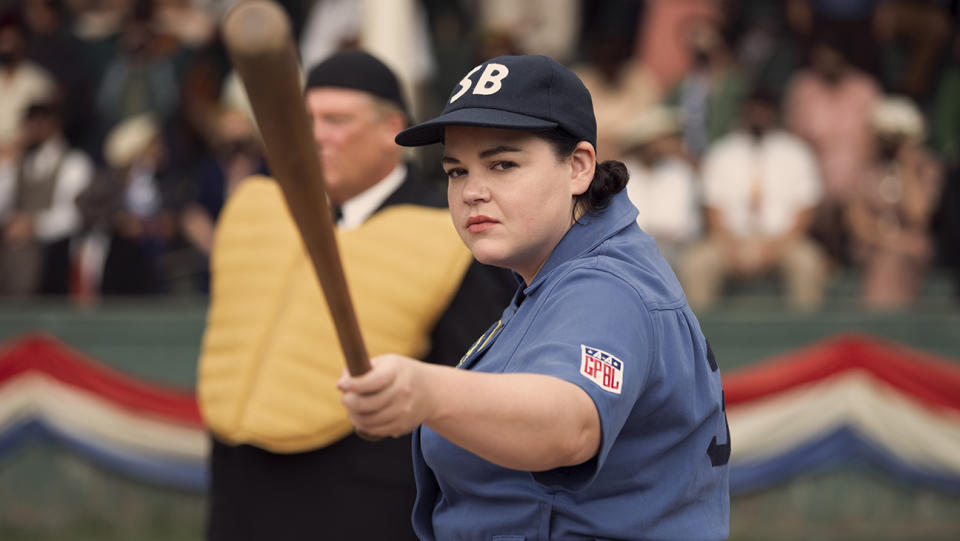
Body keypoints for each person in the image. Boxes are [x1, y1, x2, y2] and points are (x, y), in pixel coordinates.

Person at [339, 54, 730, 540]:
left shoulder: (605, 285)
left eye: (503, 164)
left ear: (579, 167)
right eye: (456, 171)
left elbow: (568, 426)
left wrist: (425, 392)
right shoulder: (554, 274)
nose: (472, 192)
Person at [197, 50, 514, 541]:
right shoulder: (259, 209)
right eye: (307, 120)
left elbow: (473, 391)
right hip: (240, 489)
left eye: (336, 120)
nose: (316, 134)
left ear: (393, 127)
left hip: (364, 505)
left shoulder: (454, 230)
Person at [681, 90, 827, 311]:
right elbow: (712, 208)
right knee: (695, 264)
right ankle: (700, 341)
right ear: (743, 113)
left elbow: (805, 210)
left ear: (774, 113)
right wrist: (730, 245)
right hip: (730, 240)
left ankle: (804, 340)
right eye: (753, 110)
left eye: (763, 110)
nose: (758, 116)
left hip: (785, 240)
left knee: (808, 264)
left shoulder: (796, 152)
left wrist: (774, 248)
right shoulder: (722, 152)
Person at [847, 96, 942, 309]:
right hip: (873, 246)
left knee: (896, 258)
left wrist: (906, 168)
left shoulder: (926, 169)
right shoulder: (867, 168)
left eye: (897, 138)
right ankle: (881, 323)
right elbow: (856, 219)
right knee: (888, 257)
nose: (891, 144)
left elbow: (918, 215)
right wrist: (887, 239)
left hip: (912, 250)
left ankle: (888, 323)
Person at [0, 100, 92, 297]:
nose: (32, 130)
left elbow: (75, 214)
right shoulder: (20, 162)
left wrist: (35, 225)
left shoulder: (74, 163)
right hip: (13, 260)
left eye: (38, 123)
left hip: (53, 260)